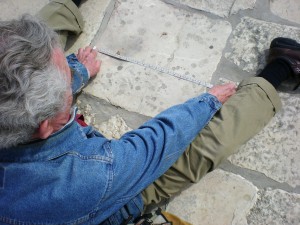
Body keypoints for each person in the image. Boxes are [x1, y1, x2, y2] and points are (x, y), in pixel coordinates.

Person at [0, 0, 299, 224]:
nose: (73, 70)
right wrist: (207, 102)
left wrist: (76, 72)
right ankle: (283, 68)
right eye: (68, 85)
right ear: (45, 127)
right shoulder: (85, 177)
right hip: (100, 204)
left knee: (19, 50)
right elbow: (150, 146)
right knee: (192, 154)